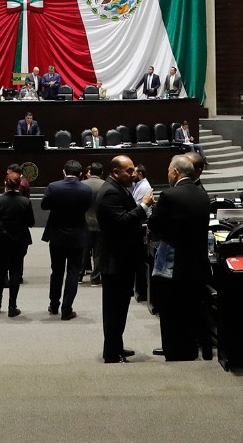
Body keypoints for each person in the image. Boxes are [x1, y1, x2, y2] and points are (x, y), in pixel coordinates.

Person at [148, 153, 211, 360]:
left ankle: (174, 350)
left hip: (173, 265)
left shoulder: (169, 196)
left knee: (170, 310)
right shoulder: (203, 194)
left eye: (168, 171)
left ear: (175, 172)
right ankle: (190, 349)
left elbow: (154, 226)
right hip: (197, 263)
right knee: (191, 309)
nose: (167, 175)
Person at [96, 154, 151, 362]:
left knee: (119, 309)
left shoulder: (119, 188)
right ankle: (111, 353)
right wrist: (144, 206)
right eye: (129, 171)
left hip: (122, 260)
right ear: (116, 172)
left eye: (134, 169)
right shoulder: (110, 192)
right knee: (113, 310)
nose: (133, 174)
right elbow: (122, 222)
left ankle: (116, 346)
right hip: (115, 262)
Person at [41, 159, 93, 319]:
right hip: (78, 236)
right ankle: (66, 309)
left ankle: (54, 305)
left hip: (57, 235)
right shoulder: (86, 189)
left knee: (56, 271)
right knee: (73, 272)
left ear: (64, 172)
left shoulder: (53, 187)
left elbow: (43, 205)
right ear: (80, 174)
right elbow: (86, 207)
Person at [0, 174, 35, 316]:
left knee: (0, 271)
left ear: (6, 184)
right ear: (19, 185)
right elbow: (31, 223)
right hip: (19, 241)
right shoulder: (25, 202)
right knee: (15, 271)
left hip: (2, 240)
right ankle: (12, 306)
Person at [82, 161, 107, 281]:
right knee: (98, 253)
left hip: (84, 223)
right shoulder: (105, 185)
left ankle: (79, 275)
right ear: (102, 173)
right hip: (100, 224)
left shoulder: (81, 185)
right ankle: (96, 277)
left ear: (90, 172)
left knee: (83, 251)